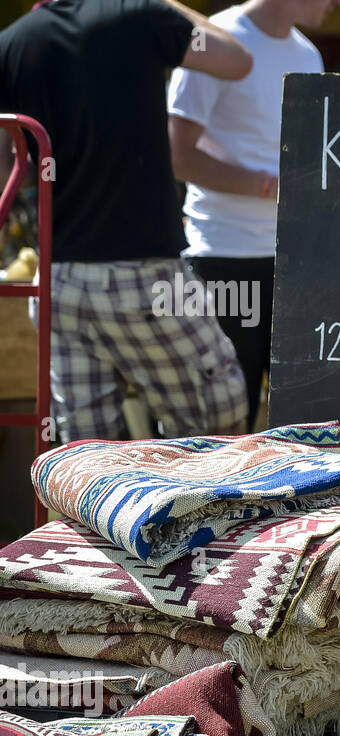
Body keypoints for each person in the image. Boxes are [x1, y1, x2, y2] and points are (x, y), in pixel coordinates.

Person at [0, 0, 252, 443]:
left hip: (58, 281)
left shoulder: (14, 42)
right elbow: (236, 59)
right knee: (219, 414)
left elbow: (7, 171)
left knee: (86, 450)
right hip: (145, 277)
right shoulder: (140, 15)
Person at [168, 0, 336, 431]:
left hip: (295, 265)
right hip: (222, 259)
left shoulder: (307, 54)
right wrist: (268, 185)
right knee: (224, 427)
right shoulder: (215, 41)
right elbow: (177, 155)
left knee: (295, 428)